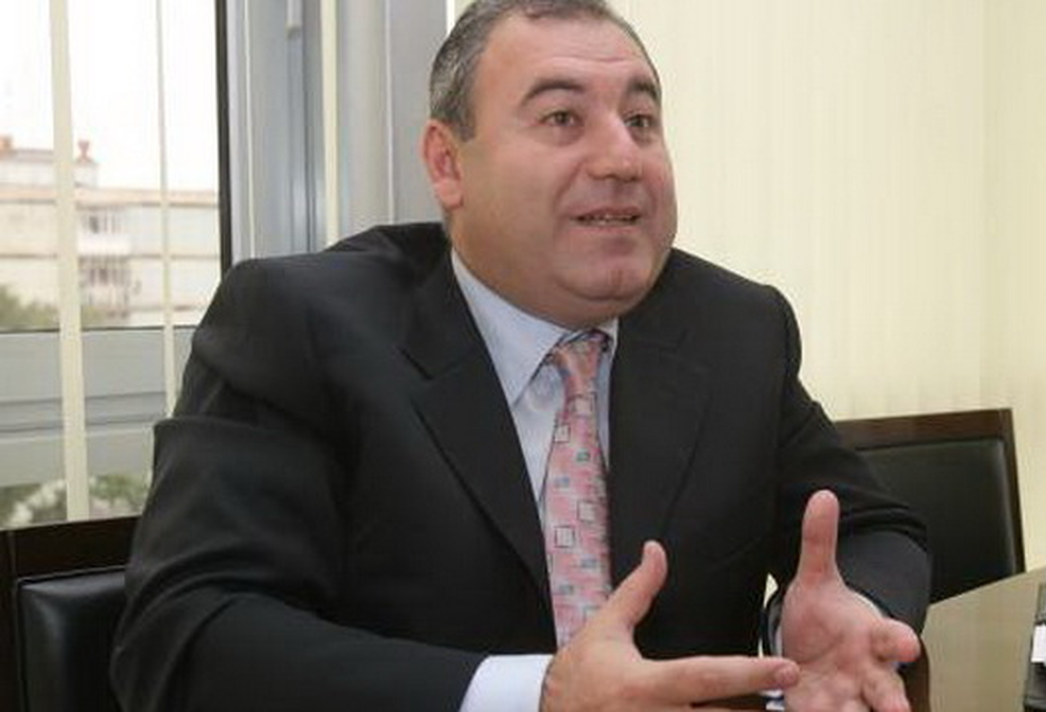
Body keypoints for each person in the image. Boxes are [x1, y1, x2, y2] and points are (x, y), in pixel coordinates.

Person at [110, 1, 930, 710]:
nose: (622, 158)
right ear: (447, 164)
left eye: (642, 121)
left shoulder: (733, 328)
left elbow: (873, 529)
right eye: (563, 118)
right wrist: (537, 694)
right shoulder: (300, 325)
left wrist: (840, 614)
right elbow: (186, 635)